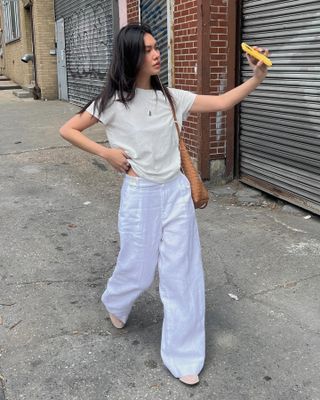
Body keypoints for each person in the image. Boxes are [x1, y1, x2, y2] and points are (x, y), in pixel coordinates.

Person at [60, 23, 268, 385]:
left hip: (175, 193)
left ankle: (184, 355)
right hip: (140, 196)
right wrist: (106, 153)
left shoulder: (170, 98)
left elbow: (220, 102)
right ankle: (116, 301)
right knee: (137, 267)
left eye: (156, 47)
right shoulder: (112, 103)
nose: (157, 54)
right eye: (147, 49)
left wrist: (256, 79)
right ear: (130, 56)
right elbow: (69, 130)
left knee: (182, 272)